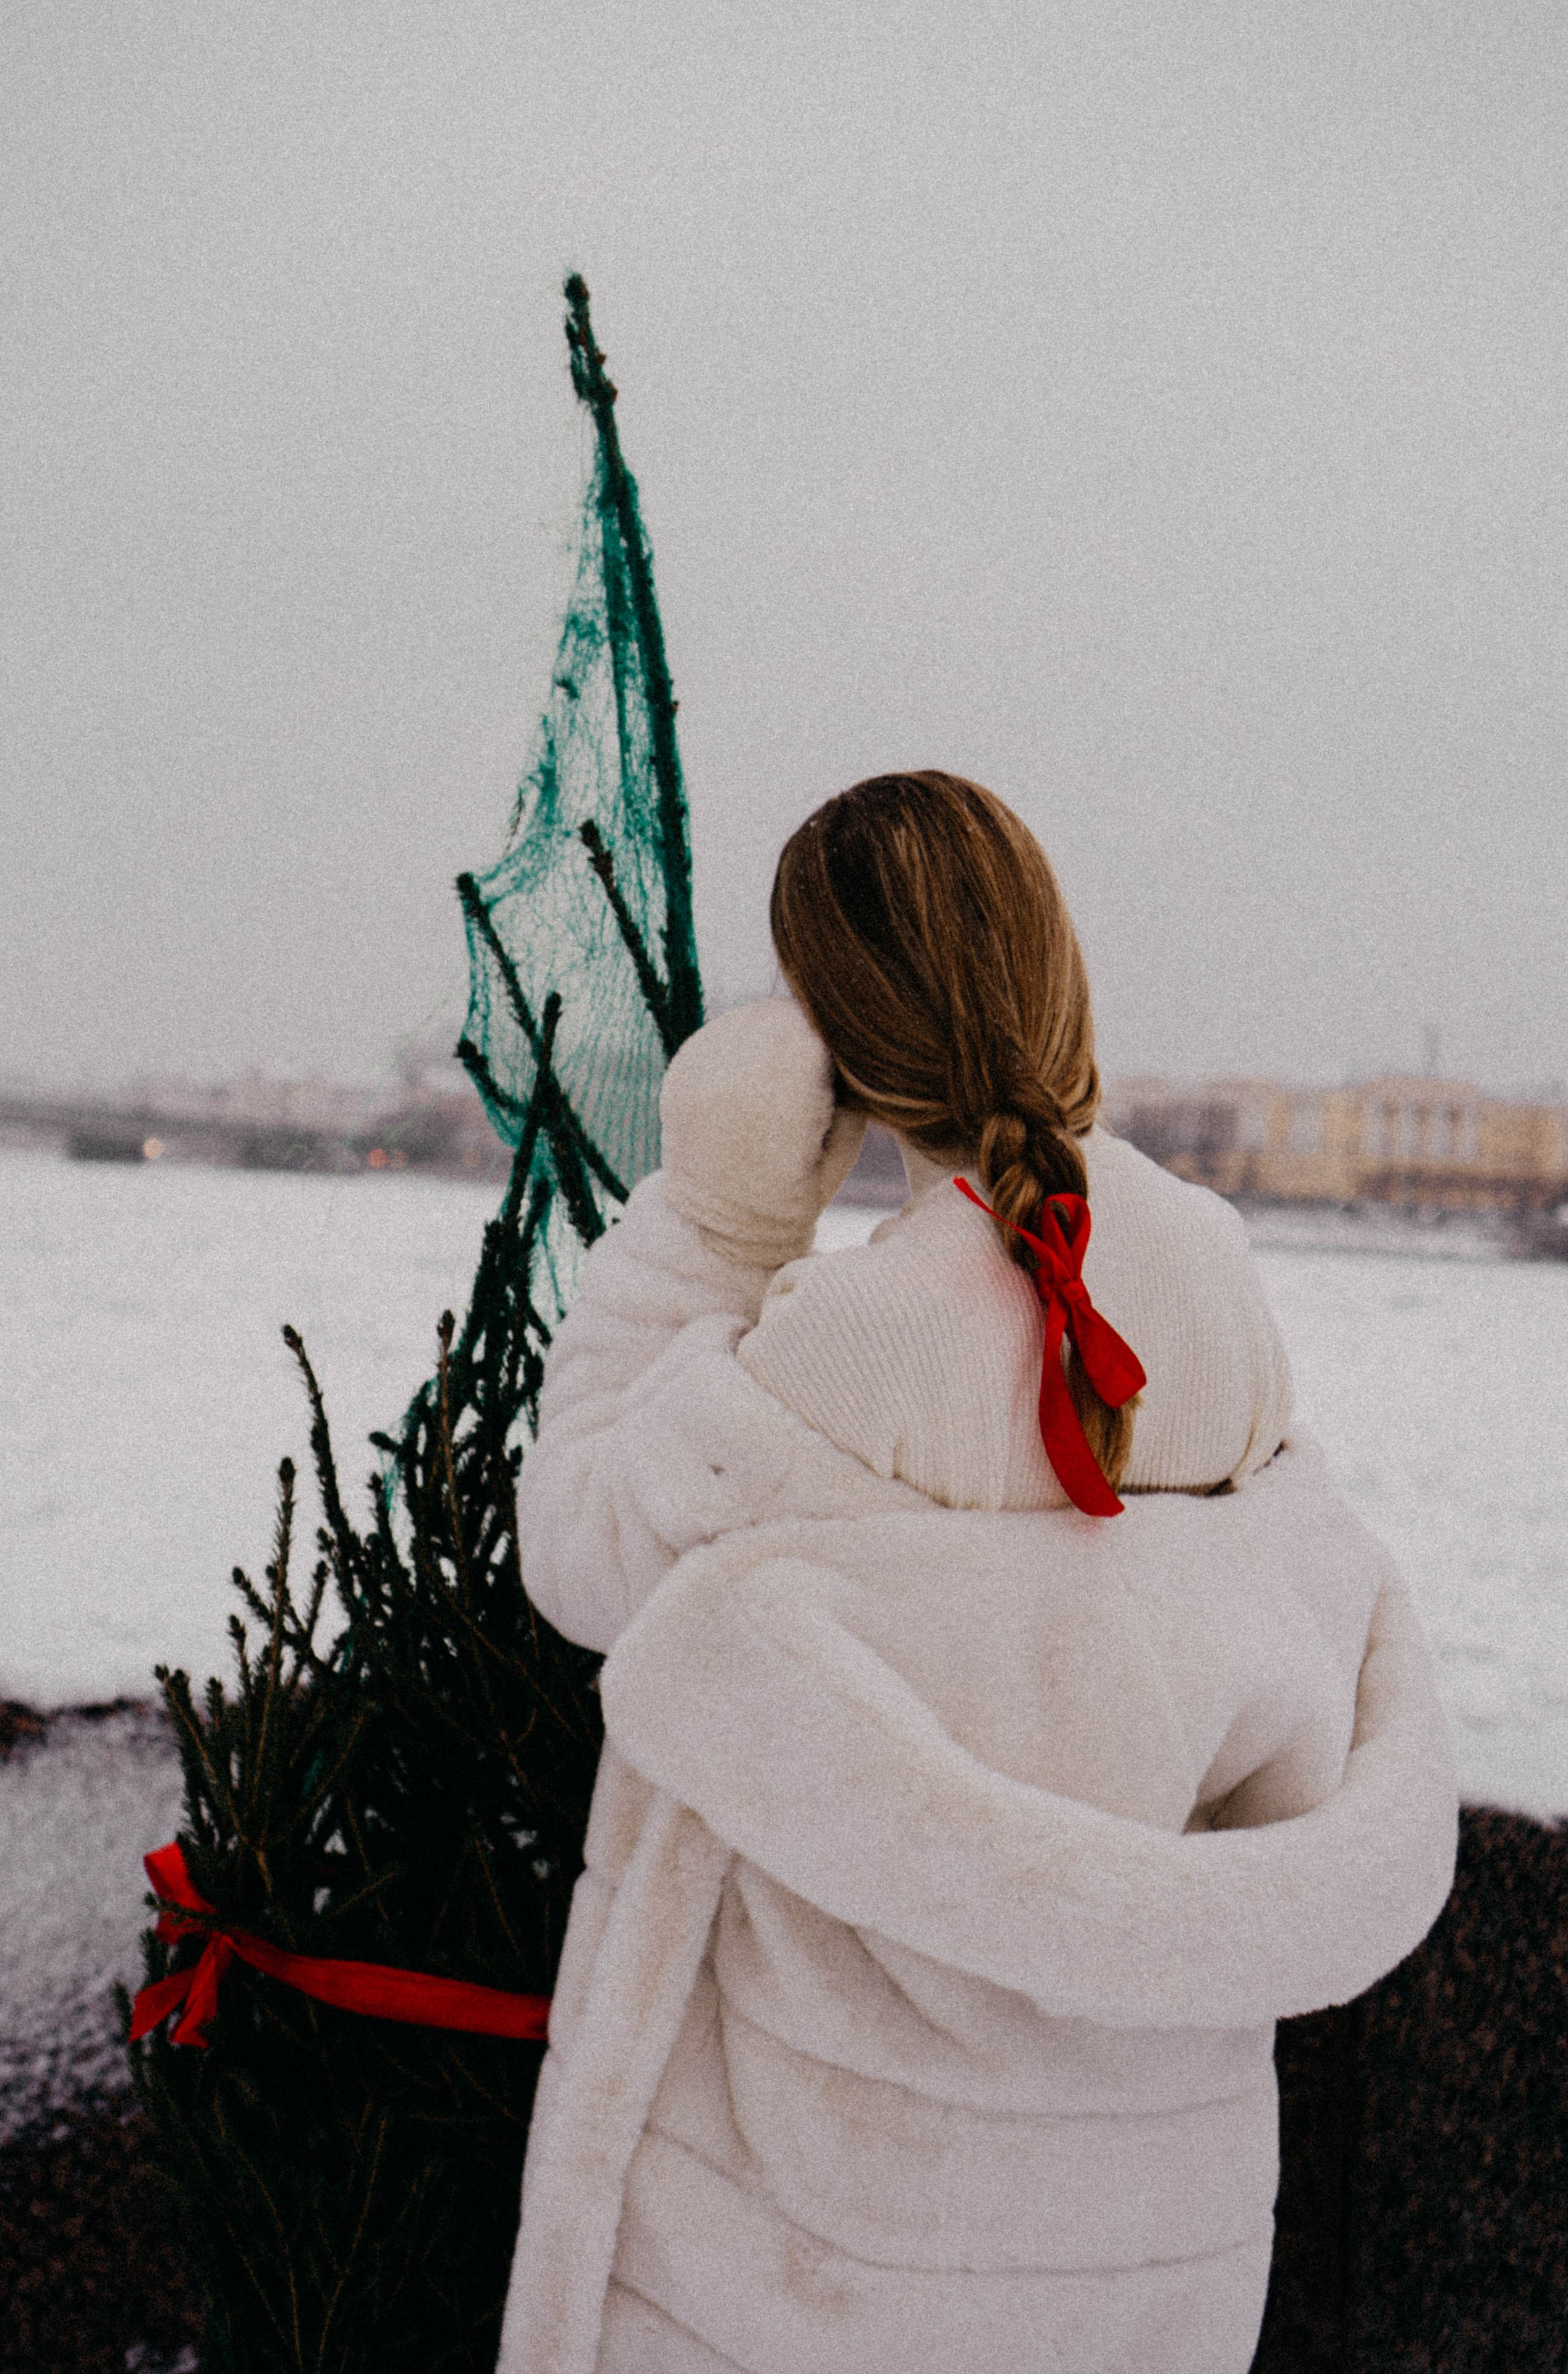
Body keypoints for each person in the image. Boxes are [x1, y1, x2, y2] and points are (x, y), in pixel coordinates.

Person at [497, 772, 1457, 2374]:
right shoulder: (1217, 1312)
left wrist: (721, 1221)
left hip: (817, 2263)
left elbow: (581, 1543)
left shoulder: (839, 1362)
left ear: (832, 1052)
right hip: (1150, 2264)